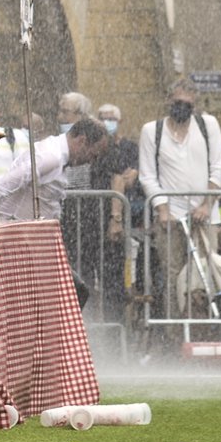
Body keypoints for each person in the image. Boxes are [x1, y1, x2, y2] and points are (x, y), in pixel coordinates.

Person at [137, 78, 221, 315]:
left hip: (204, 214)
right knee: (172, 273)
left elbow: (218, 166)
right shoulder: (152, 131)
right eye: (178, 102)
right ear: (169, 101)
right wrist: (162, 208)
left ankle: (205, 325)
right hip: (171, 215)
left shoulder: (208, 125)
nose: (183, 108)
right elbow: (148, 175)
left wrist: (206, 205)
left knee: (206, 270)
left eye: (188, 104)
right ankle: (174, 327)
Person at [0, 118, 111, 223]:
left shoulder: (55, 154)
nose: (91, 162)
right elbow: (2, 186)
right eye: (93, 155)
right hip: (16, 234)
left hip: (30, 233)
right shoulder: (51, 157)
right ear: (82, 141)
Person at [87, 103, 140, 320]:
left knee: (115, 278)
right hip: (90, 221)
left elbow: (124, 178)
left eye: (111, 118)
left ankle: (115, 326)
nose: (107, 122)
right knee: (90, 276)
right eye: (102, 118)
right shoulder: (97, 146)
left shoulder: (126, 148)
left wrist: (115, 218)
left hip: (117, 218)